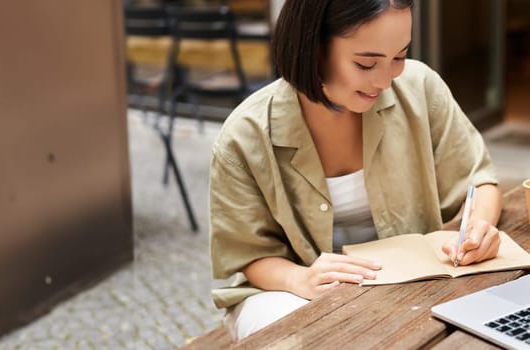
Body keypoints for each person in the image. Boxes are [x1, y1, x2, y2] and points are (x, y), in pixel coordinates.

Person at [208, 0, 503, 341]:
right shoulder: (245, 136)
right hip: (288, 291)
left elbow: (479, 181)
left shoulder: (421, 88)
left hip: (413, 283)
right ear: (312, 47)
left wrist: (478, 228)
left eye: (399, 57)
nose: (385, 80)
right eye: (366, 64)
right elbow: (249, 254)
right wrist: (299, 279)